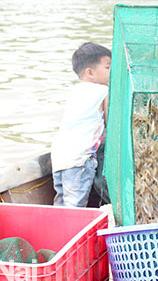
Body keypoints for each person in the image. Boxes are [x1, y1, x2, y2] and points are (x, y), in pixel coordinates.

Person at [51, 42, 111, 207]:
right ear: (90, 72)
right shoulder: (103, 91)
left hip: (59, 156)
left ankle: (57, 231)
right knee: (75, 206)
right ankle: (74, 232)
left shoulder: (74, 91)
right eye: (108, 67)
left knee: (61, 201)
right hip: (80, 158)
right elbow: (110, 122)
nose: (112, 72)